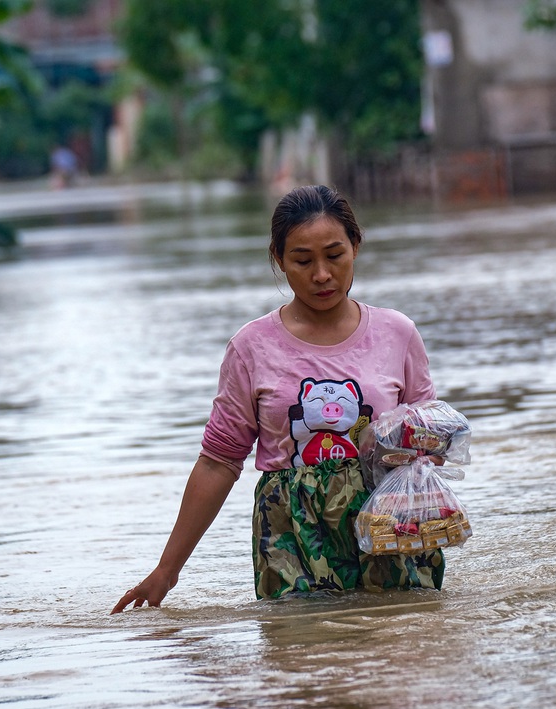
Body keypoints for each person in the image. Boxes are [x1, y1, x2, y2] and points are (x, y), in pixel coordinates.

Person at [112, 185, 445, 612]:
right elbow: (218, 462)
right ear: (279, 260)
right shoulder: (251, 348)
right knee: (299, 655)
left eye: (335, 255)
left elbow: (430, 435)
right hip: (291, 534)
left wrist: (424, 456)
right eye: (303, 261)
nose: (321, 274)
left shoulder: (397, 333)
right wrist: (167, 571)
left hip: (388, 523)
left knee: (396, 645)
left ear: (356, 247)